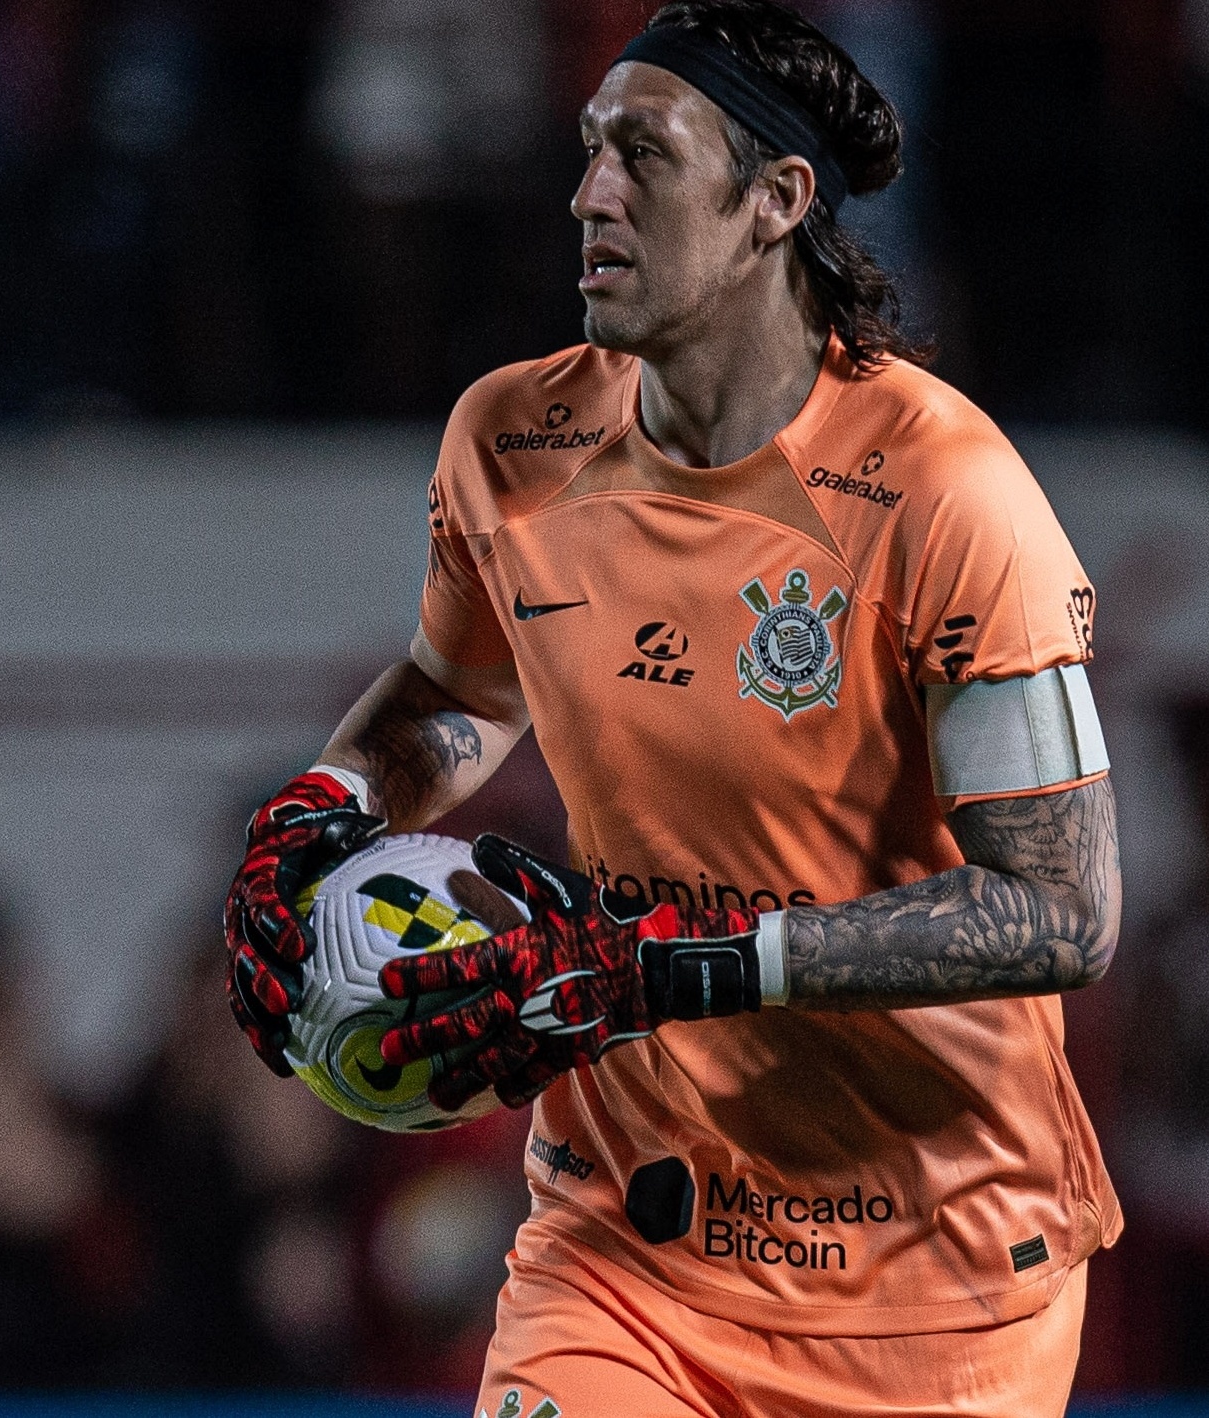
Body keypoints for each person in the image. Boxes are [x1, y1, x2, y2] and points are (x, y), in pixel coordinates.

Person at [223, 3, 1120, 1415]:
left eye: (642, 156)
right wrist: (326, 806)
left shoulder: (952, 491)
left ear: (774, 203)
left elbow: (1062, 912)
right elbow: (457, 692)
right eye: (587, 154)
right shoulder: (515, 440)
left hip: (934, 1284)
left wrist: (681, 963)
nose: (588, 196)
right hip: (629, 1247)